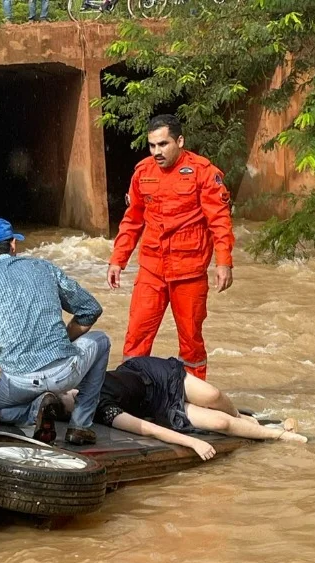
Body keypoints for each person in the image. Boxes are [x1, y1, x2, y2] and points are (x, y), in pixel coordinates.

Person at [0, 218, 110, 446]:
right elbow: (90, 309)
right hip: (64, 374)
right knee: (102, 340)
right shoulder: (44, 267)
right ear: (13, 244)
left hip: (19, 383)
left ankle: (35, 411)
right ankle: (80, 425)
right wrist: (64, 340)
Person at [107, 114, 235, 380]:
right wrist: (117, 260)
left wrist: (223, 262)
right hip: (151, 269)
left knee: (191, 342)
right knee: (136, 336)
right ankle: (131, 390)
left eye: (163, 144)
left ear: (180, 141)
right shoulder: (143, 172)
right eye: (152, 145)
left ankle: (193, 396)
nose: (157, 152)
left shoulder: (203, 172)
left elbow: (219, 221)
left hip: (189, 271)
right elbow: (132, 220)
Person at [60, 357, 307, 460]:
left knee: (213, 395)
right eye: (69, 400)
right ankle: (278, 434)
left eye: (66, 391)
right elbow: (149, 429)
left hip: (152, 373)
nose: (71, 393)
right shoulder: (104, 410)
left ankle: (240, 415)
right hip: (158, 407)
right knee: (219, 424)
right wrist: (193, 443)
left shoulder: (79, 377)